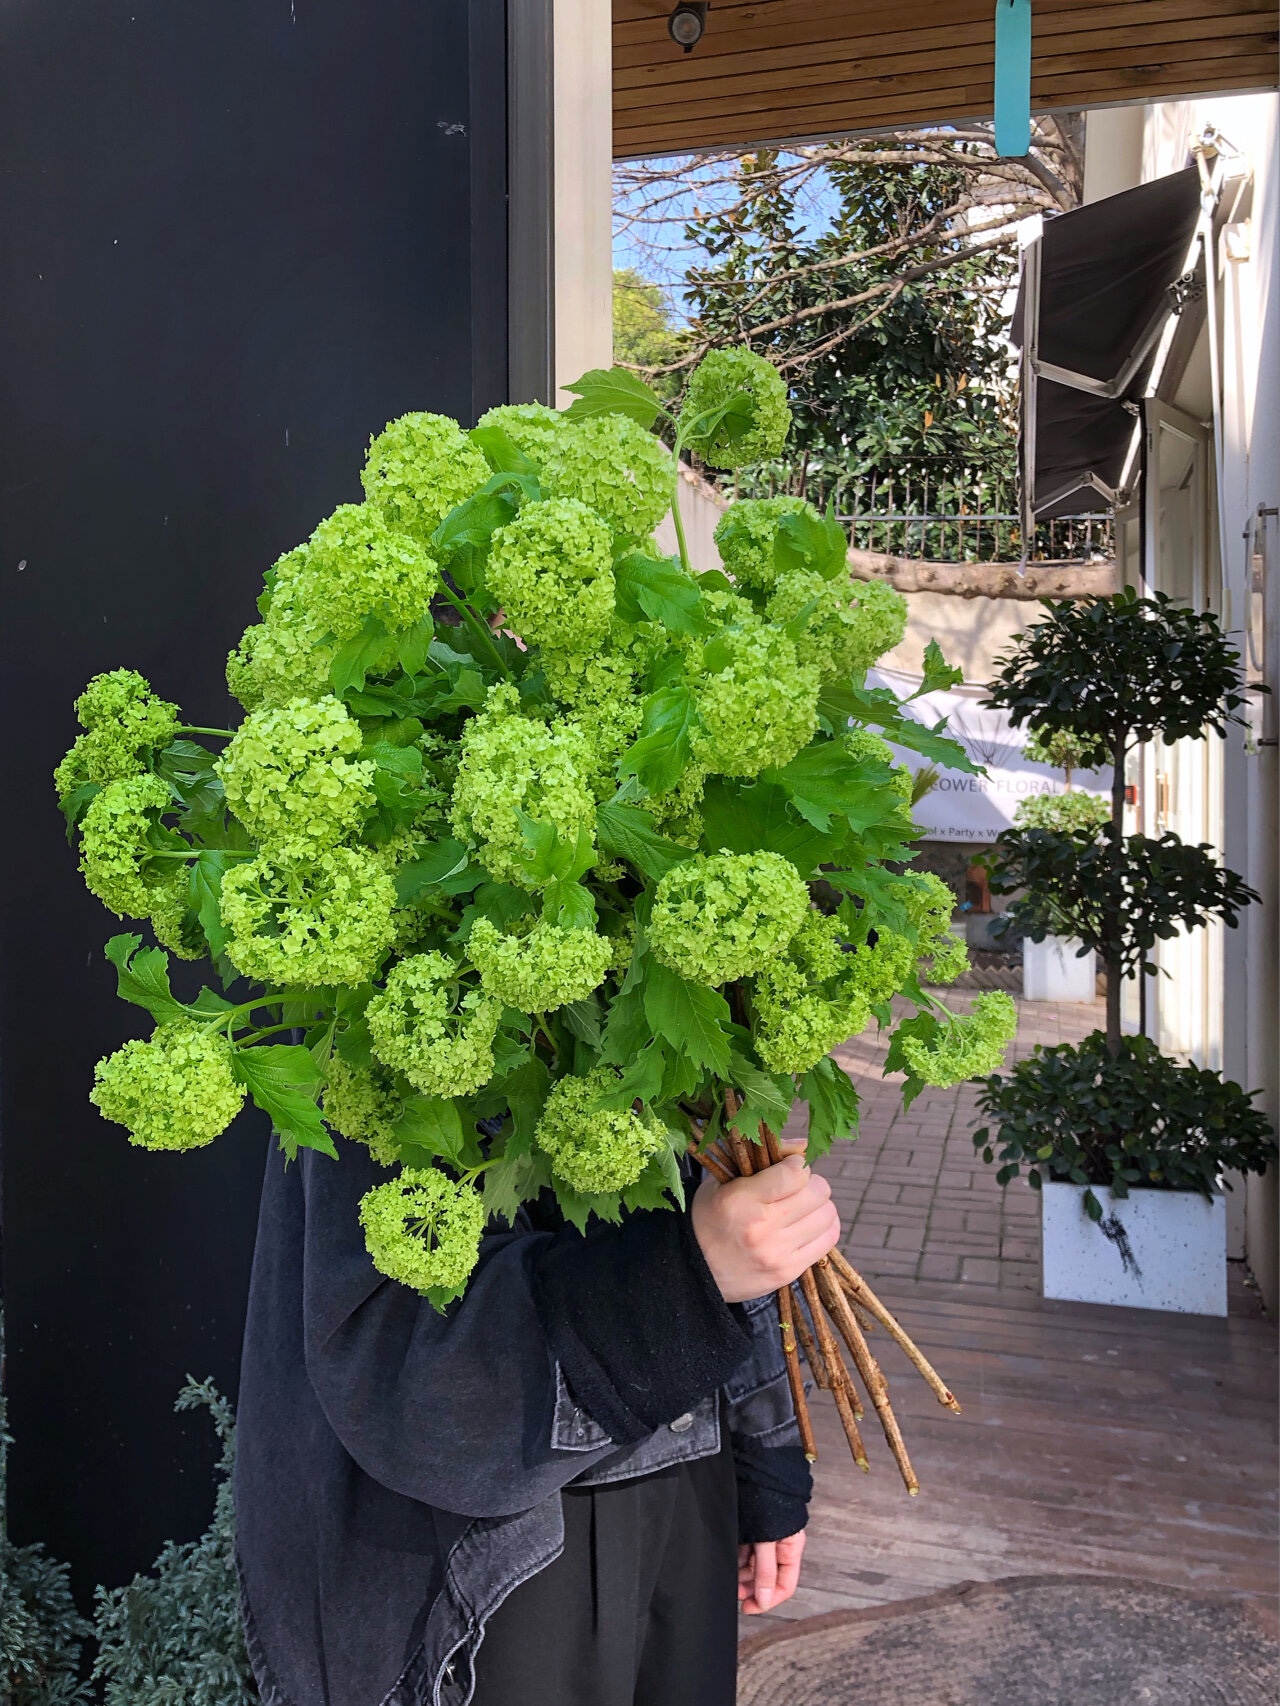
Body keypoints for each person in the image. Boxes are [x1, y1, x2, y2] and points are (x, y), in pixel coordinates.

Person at [234, 1130, 840, 1706]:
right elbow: (389, 1333)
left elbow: (715, 1162)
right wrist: (688, 1275)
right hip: (505, 1533)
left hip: (690, 1470)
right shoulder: (354, 1038)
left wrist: (764, 1447)